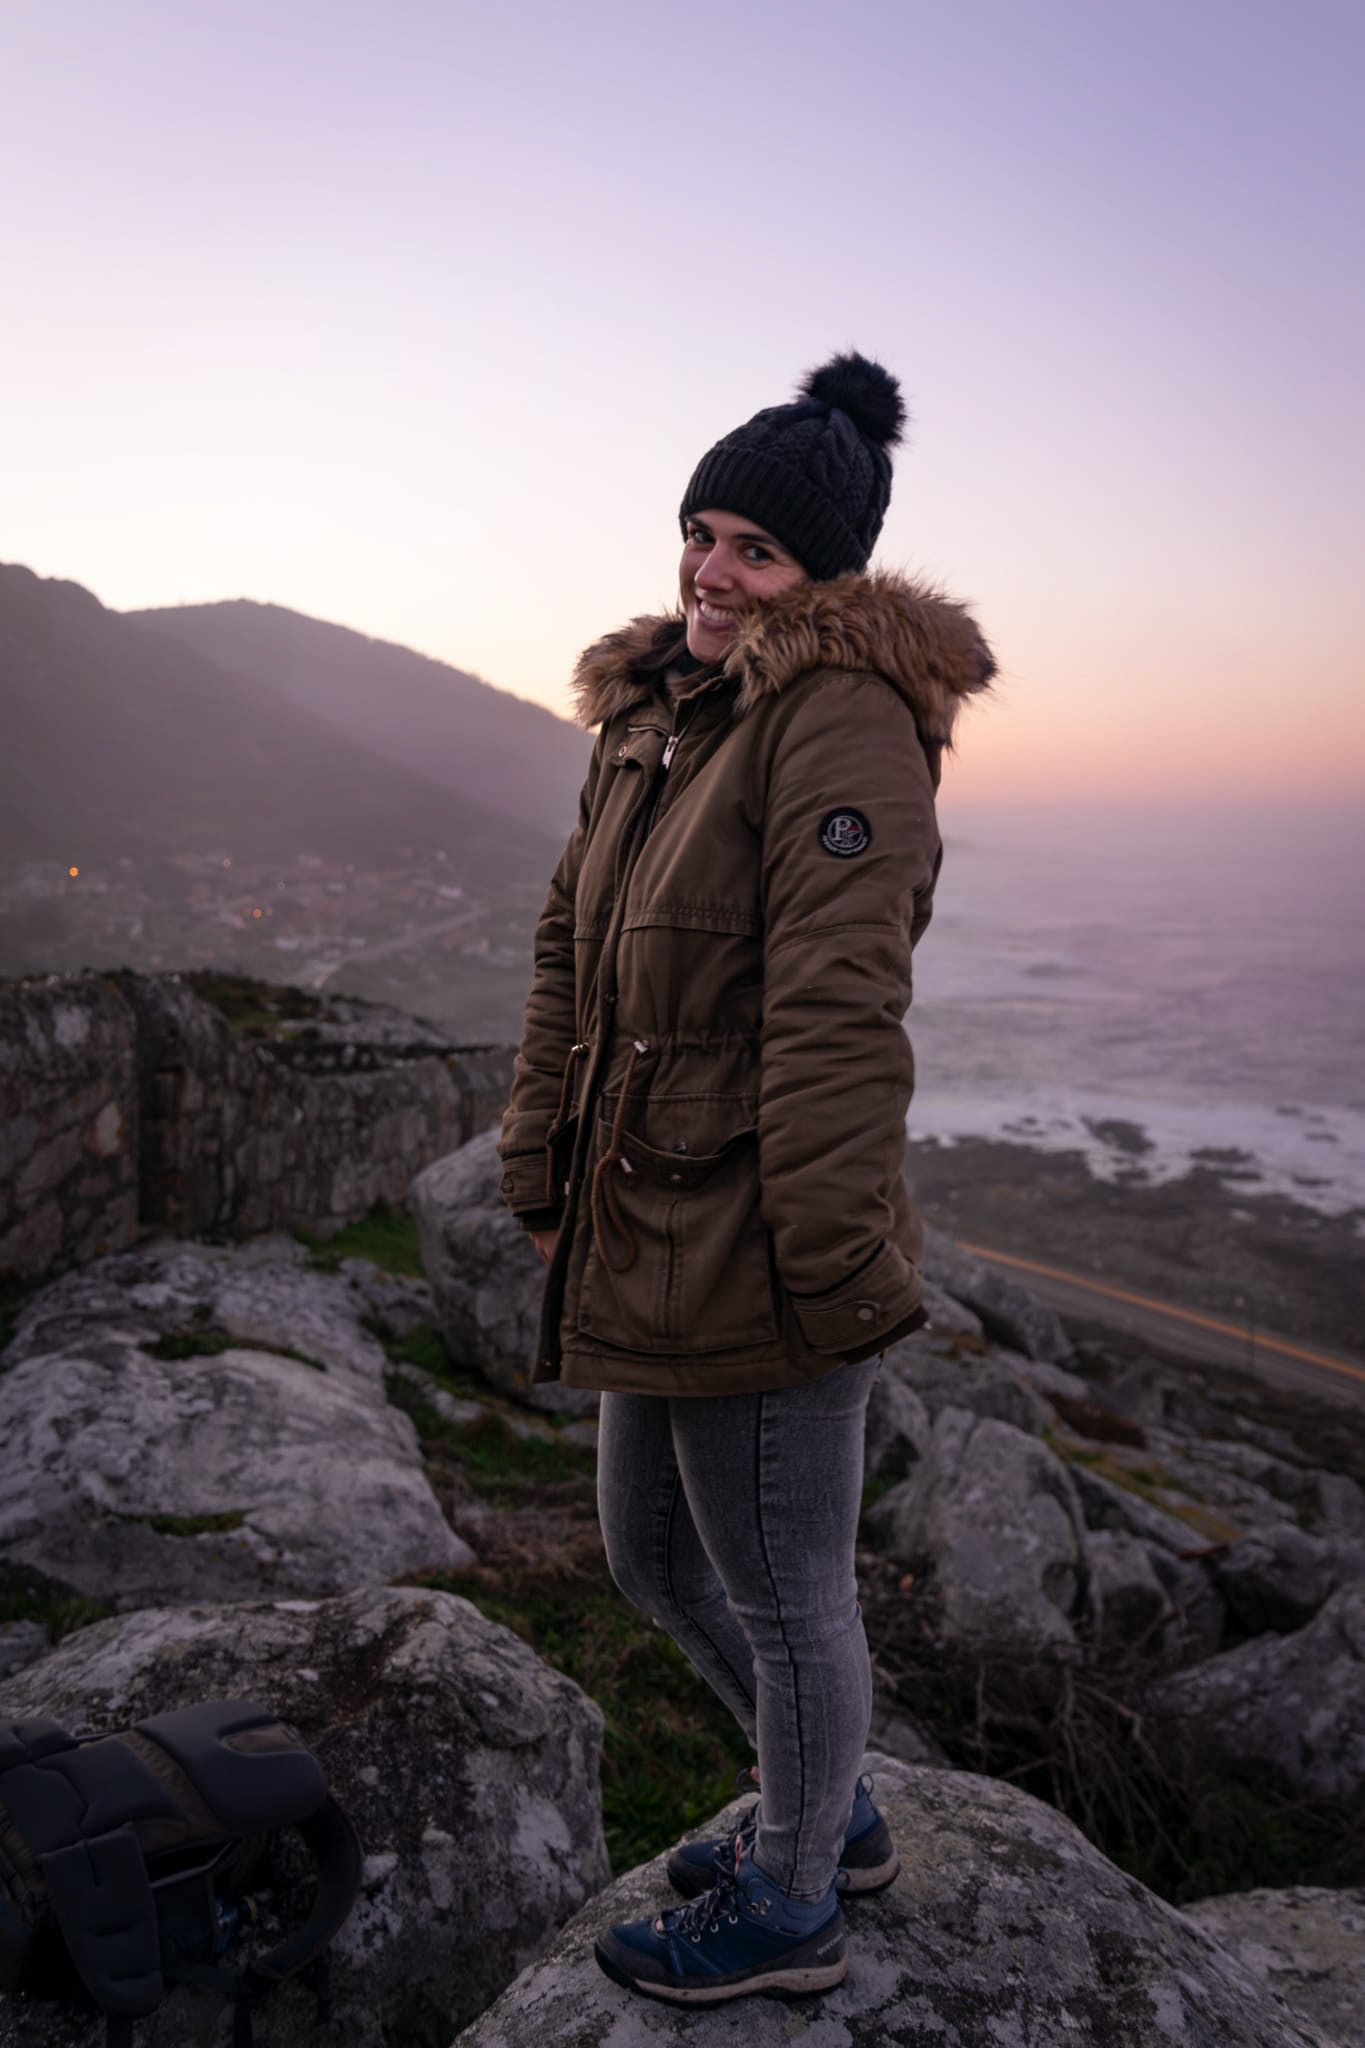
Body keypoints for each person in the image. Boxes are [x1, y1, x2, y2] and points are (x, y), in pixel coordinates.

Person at [498, 352, 995, 2005]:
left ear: (821, 577)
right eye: (701, 533)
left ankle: (791, 1909)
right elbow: (569, 948)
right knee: (650, 1559)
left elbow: (838, 1011)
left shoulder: (839, 721)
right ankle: (823, 1811)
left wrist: (828, 1260)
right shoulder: (655, 714)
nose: (711, 571)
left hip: (765, 1235)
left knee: (786, 1598)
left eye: (756, 551)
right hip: (643, 1215)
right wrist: (539, 1164)